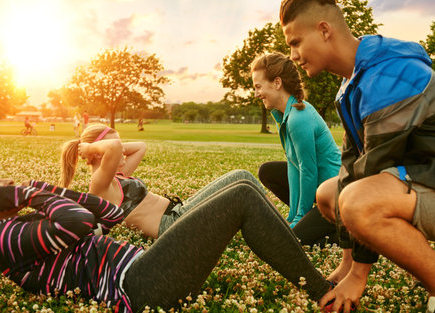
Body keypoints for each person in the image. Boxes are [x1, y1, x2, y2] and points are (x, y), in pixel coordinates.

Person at [0, 169, 333, 312]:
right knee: (240, 196)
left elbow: (107, 214)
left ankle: (304, 264)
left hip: (144, 270)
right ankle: (325, 294)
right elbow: (78, 222)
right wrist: (30, 192)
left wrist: (45, 191)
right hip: (139, 287)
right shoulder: (4, 239)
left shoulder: (20, 226)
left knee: (240, 184)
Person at [280, 0, 435, 312]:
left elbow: (372, 170)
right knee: (329, 193)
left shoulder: (390, 76)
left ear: (324, 30)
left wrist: (359, 275)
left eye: (295, 42)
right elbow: (352, 165)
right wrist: (348, 265)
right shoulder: (354, 78)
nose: (293, 56)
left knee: (357, 203)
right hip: (424, 178)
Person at [60, 123, 266, 238]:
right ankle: (275, 230)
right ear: (98, 153)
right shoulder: (99, 184)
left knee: (242, 177)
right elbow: (113, 147)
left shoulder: (118, 175)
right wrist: (88, 149)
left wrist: (114, 146)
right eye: (115, 147)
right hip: (172, 225)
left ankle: (277, 225)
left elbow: (140, 146)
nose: (122, 151)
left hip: (181, 211)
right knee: (242, 188)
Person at [251, 52, 341, 247]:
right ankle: (313, 223)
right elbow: (294, 166)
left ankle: (343, 233)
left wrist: (301, 216)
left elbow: (309, 171)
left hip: (337, 196)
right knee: (267, 171)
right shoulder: (281, 114)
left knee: (291, 242)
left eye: (258, 87)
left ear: (277, 83)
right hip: (318, 189)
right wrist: (293, 216)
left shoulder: (299, 117)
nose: (256, 94)